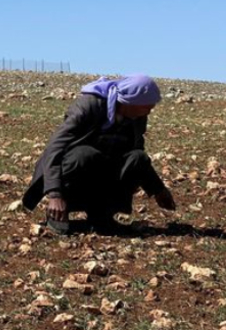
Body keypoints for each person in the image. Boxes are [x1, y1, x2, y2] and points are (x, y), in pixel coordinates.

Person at [22, 74, 177, 234]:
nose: (149, 112)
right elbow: (55, 147)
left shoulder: (137, 118)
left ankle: (102, 215)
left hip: (103, 170)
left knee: (137, 157)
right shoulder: (88, 106)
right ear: (131, 100)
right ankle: (59, 212)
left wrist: (158, 190)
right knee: (86, 155)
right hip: (75, 167)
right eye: (147, 107)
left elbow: (138, 156)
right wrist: (54, 194)